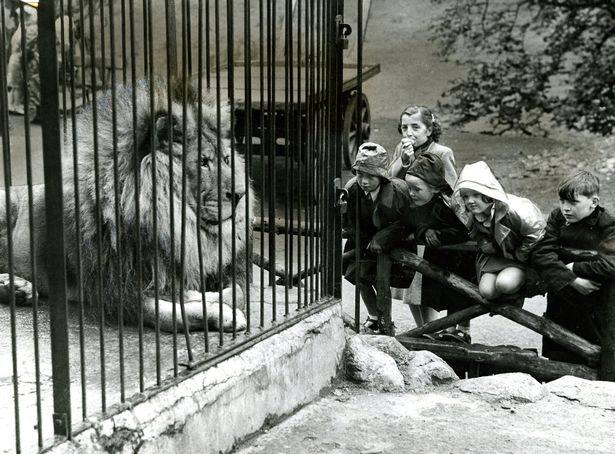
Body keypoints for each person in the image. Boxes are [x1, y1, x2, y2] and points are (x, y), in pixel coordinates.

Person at [531, 171, 615, 364]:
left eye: (573, 203)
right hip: (562, 298)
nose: (565, 208)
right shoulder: (557, 218)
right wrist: (572, 279)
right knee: (558, 354)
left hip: (595, 304)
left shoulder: (608, 225)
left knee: (597, 357)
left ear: (593, 202)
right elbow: (541, 253)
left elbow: (611, 263)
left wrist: (574, 266)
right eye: (562, 201)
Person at [402, 153, 477, 342]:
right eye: (409, 188)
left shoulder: (450, 205)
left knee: (460, 295)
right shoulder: (418, 202)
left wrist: (440, 235)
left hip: (460, 259)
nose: (411, 193)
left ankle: (461, 330)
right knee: (440, 294)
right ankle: (438, 330)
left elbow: (463, 230)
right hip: (437, 259)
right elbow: (413, 222)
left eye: (416, 189)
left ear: (434, 188)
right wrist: (424, 230)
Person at [342, 142, 415, 336]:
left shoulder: (398, 192)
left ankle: (385, 321)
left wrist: (384, 237)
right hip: (363, 241)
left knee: (382, 280)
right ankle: (374, 316)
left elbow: (407, 223)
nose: (364, 181)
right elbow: (348, 218)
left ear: (382, 176)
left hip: (392, 245)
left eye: (370, 176)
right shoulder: (352, 190)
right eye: (360, 174)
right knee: (359, 276)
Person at [452, 161, 546, 302]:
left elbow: (537, 234)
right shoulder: (471, 214)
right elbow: (477, 235)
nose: (470, 201)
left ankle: (518, 291)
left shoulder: (516, 209)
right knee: (487, 292)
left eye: (475, 195)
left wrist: (520, 254)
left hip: (521, 257)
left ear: (487, 193)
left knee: (504, 284)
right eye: (465, 196)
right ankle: (508, 295)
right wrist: (485, 244)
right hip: (495, 257)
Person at [389, 105, 457, 191]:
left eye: (415, 127)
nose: (409, 133)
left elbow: (452, 188)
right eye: (404, 127)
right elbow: (390, 179)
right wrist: (403, 160)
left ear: (429, 131)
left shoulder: (442, 153)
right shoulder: (401, 148)